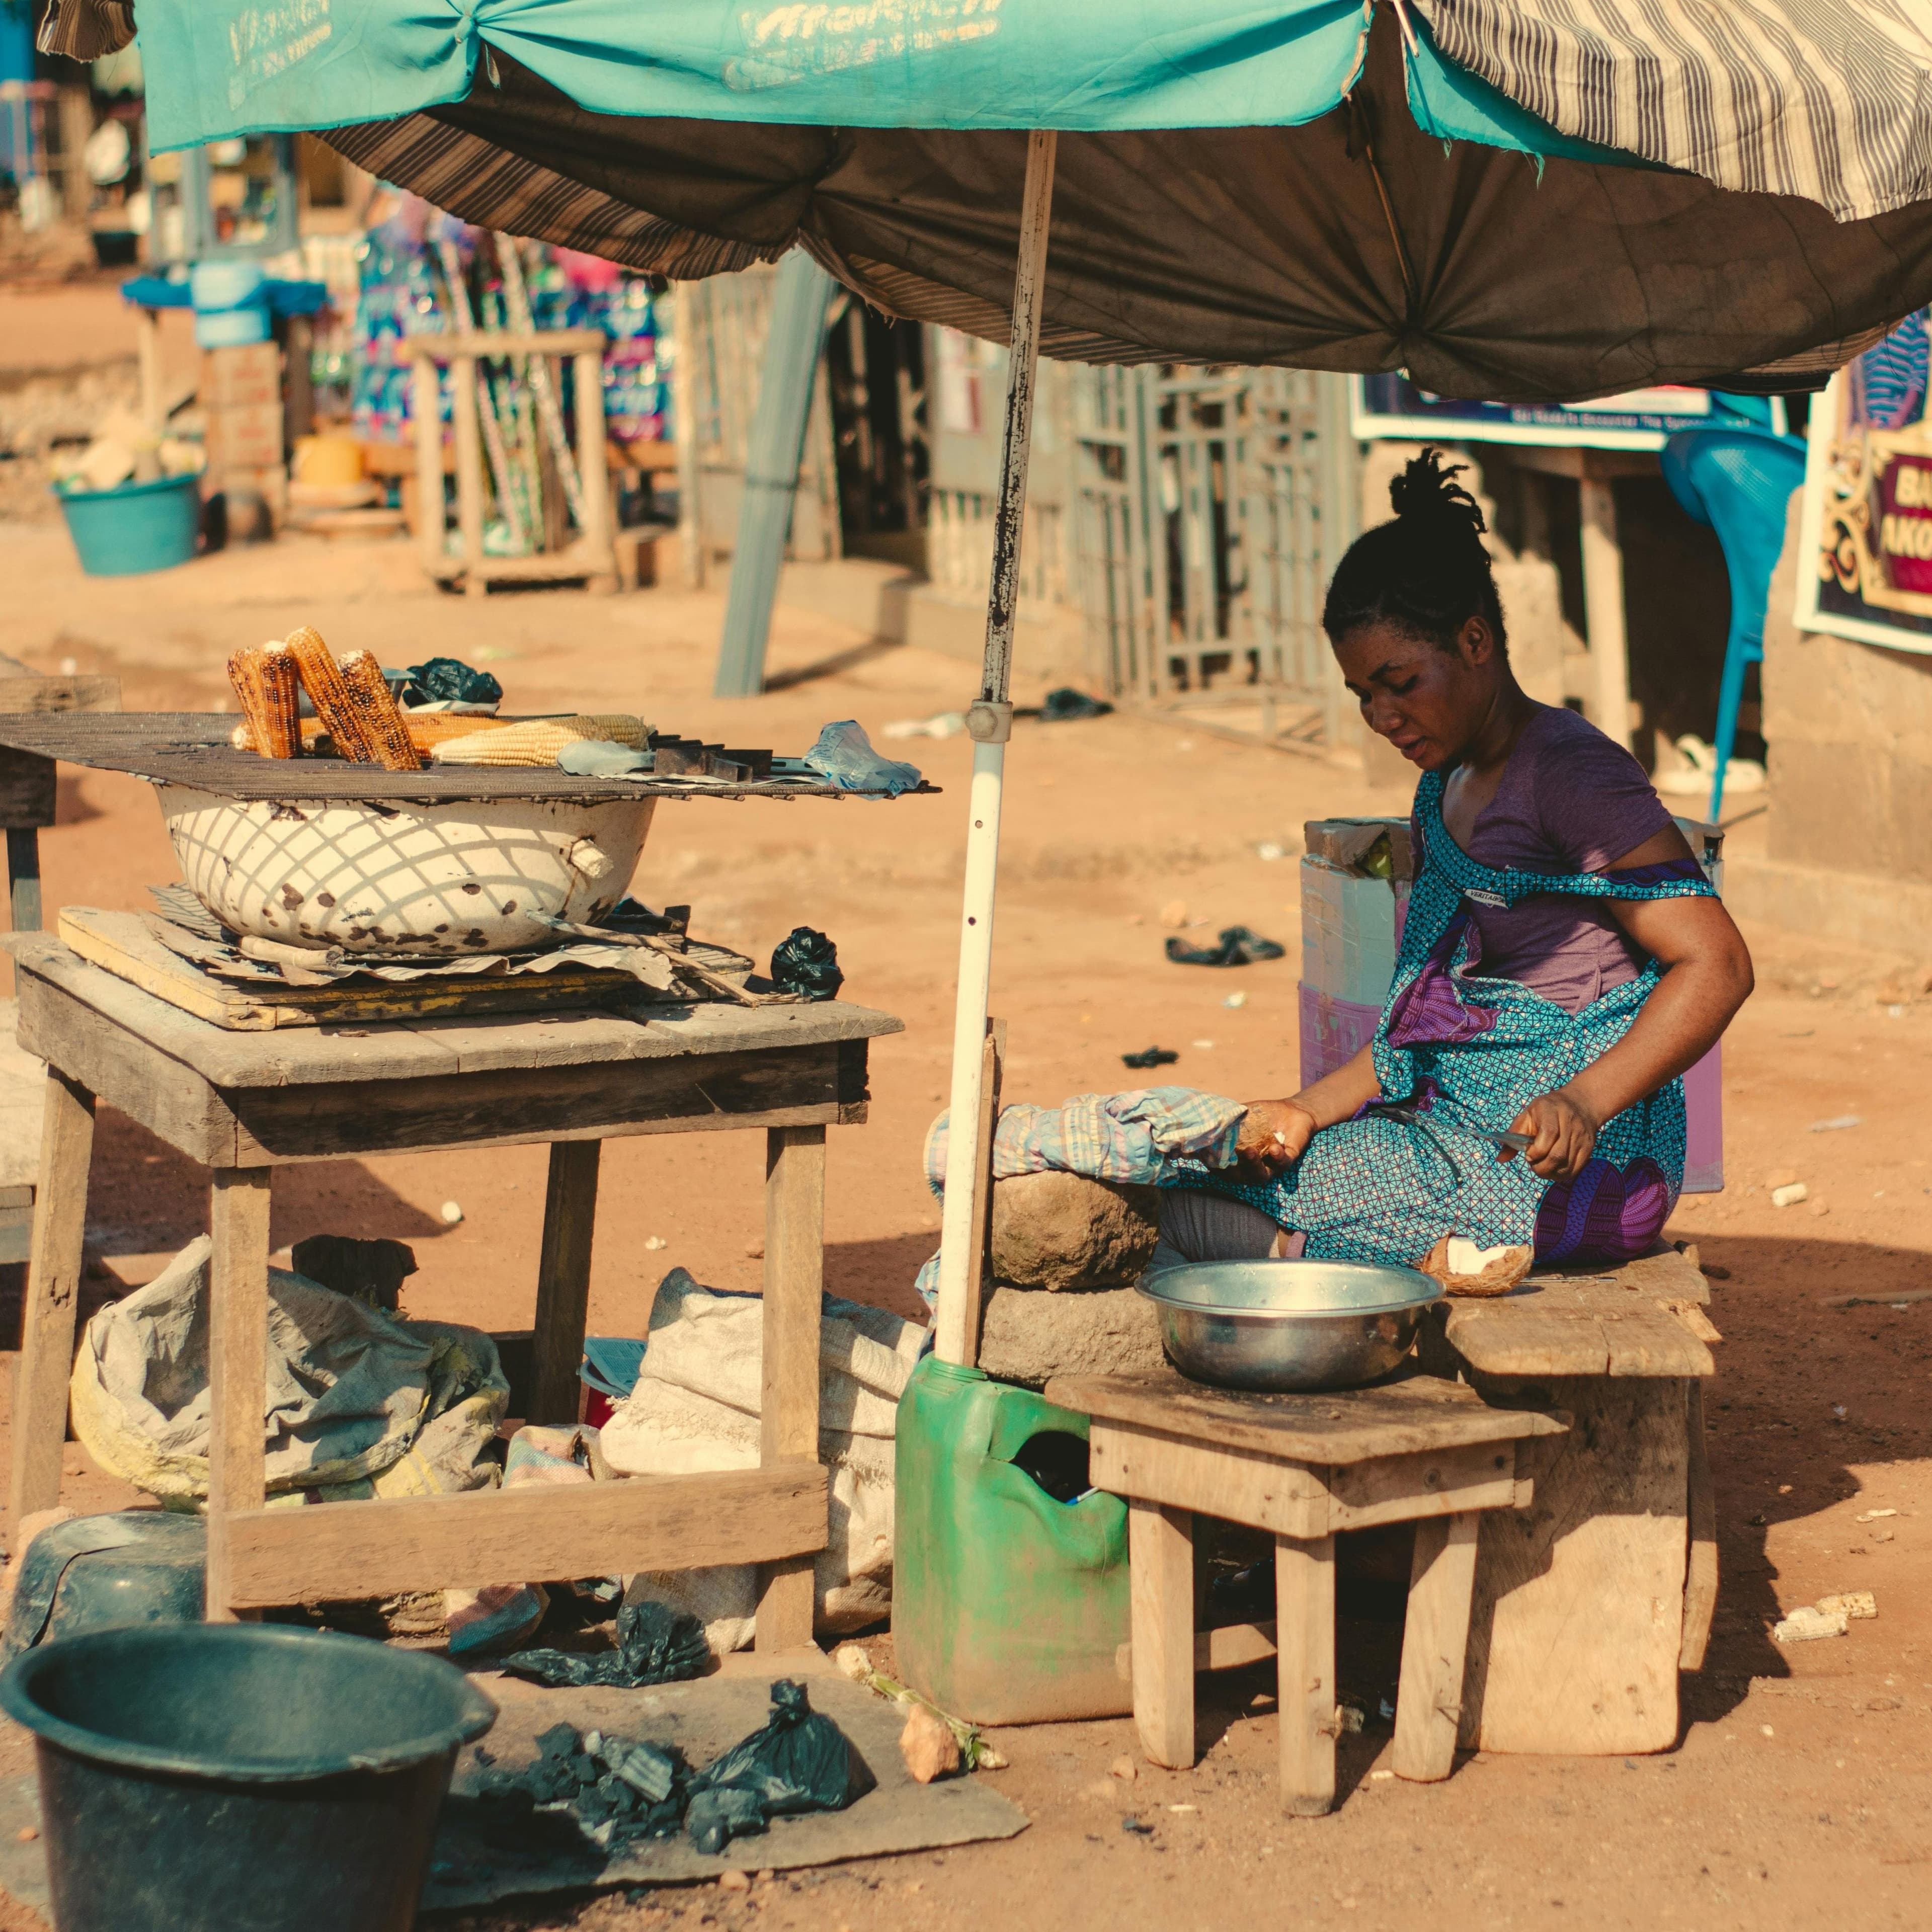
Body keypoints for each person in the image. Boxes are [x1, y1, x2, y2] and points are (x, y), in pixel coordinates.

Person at [1155, 449, 1754, 1283]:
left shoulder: (1575, 776)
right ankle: (1401, 1259)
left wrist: (1582, 1102)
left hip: (1578, 1167)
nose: (1380, 715)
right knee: (1200, 1174)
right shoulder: (1444, 789)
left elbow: (1718, 962)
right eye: (1362, 693)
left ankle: (1363, 1262)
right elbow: (1422, 1029)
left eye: (1399, 682)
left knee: (1189, 1216)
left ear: (1476, 640)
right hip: (1454, 1126)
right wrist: (1303, 1111)